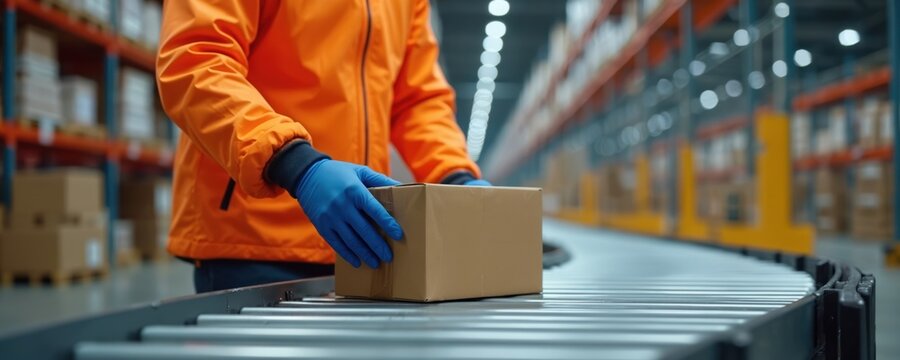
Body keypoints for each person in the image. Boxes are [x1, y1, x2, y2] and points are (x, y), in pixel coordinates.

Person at [156, 1, 489, 293]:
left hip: (359, 239)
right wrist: (296, 165)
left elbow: (417, 99)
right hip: (253, 243)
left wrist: (454, 174)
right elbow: (196, 59)